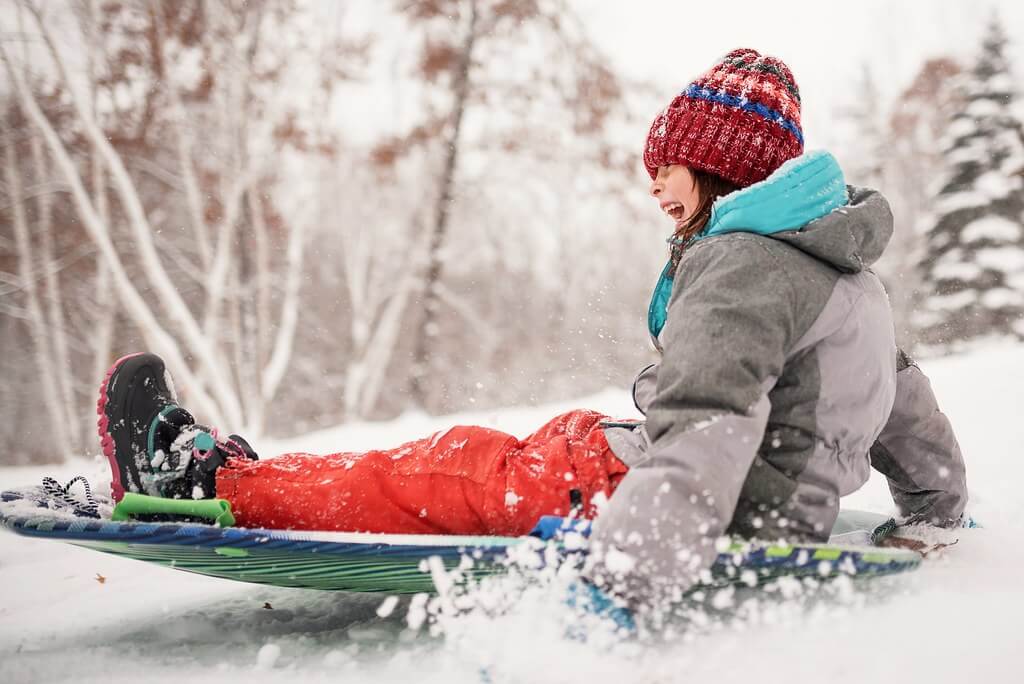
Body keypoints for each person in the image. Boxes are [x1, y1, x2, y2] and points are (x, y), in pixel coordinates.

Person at [98, 48, 967, 607]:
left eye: (668, 165)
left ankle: (204, 480)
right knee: (477, 455)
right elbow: (907, 409)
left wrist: (633, 574)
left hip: (633, 498)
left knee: (428, 475)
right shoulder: (848, 278)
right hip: (630, 468)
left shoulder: (745, 267)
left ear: (722, 166)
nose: (654, 185)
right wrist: (935, 508)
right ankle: (244, 473)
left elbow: (711, 422)